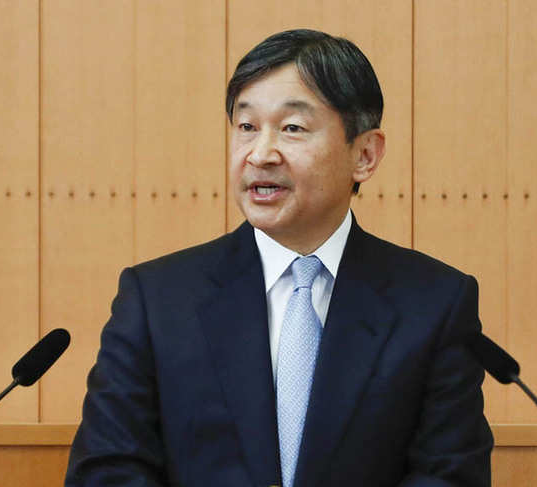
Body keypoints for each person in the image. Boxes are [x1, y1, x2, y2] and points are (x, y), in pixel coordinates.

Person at [66, 29, 493, 487]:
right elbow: (106, 471)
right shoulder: (157, 300)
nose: (260, 154)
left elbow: (450, 476)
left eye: (292, 129)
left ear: (365, 155)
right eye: (246, 127)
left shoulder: (434, 303)